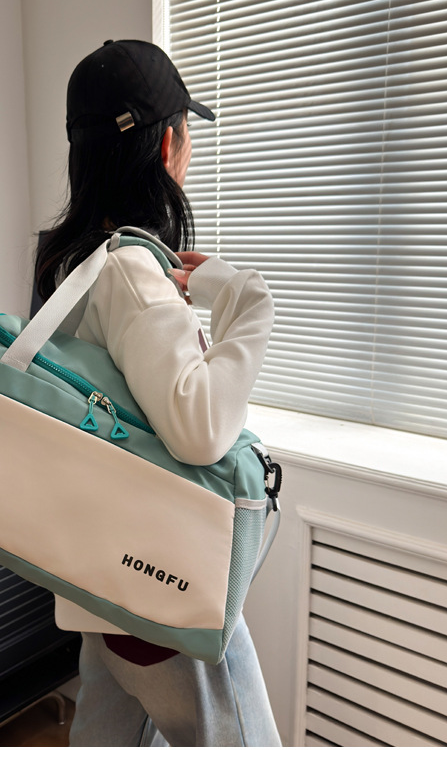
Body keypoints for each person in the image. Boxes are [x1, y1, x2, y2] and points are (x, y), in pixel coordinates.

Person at [34, 39, 280, 747]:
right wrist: (248, 303)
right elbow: (199, 430)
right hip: (166, 587)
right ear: (168, 144)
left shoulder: (68, 263)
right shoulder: (129, 272)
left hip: (104, 576)